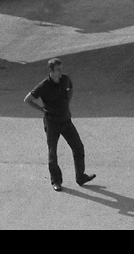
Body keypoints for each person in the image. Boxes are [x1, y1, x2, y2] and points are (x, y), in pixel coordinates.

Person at [24, 58, 95, 191]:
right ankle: (56, 181)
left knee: (78, 147)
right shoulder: (43, 86)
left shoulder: (65, 79)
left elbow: (70, 89)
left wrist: (67, 103)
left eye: (61, 69)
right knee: (53, 153)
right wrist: (42, 110)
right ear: (50, 71)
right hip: (52, 123)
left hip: (66, 120)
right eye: (58, 70)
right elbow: (27, 100)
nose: (61, 73)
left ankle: (80, 177)